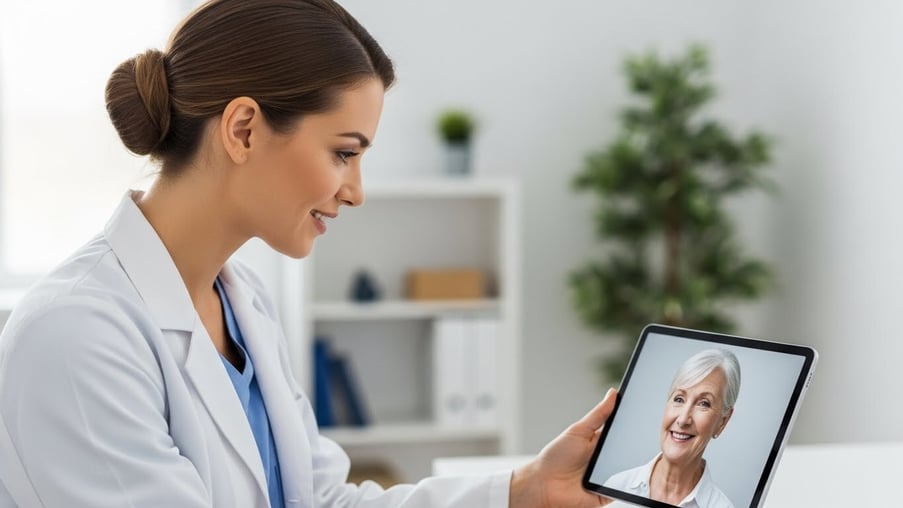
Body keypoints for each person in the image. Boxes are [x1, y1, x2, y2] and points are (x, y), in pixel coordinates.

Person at [0, 1, 619, 506]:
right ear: (243, 130)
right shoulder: (77, 334)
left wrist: (523, 490)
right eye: (344, 153)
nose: (356, 191)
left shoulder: (244, 303)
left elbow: (319, 502)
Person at [604, 349, 741, 508]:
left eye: (704, 403)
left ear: (723, 422)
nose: (683, 420)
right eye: (679, 399)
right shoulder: (616, 487)